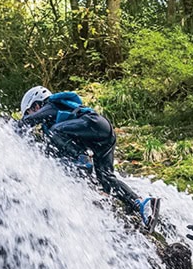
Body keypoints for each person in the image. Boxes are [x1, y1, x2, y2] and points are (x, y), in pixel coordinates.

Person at [19, 86, 160, 230]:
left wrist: (13, 129)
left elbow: (31, 120)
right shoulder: (57, 122)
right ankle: (143, 205)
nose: (32, 114)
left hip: (93, 123)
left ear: (36, 104)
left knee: (54, 132)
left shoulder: (51, 105)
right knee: (106, 178)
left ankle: (82, 159)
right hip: (103, 136)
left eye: (29, 111)